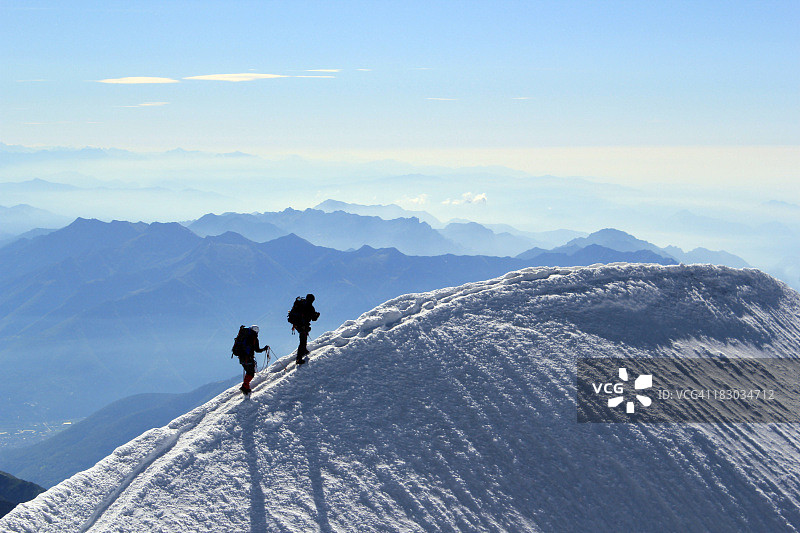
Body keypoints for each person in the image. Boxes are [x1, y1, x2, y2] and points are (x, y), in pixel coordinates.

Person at [235, 325, 268, 394]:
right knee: (251, 373)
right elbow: (257, 350)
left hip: (241, 357)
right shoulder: (254, 338)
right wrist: (264, 349)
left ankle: (245, 386)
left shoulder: (243, 336)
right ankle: (245, 387)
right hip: (248, 358)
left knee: (248, 372)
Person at [289, 294, 320, 365]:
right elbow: (314, 319)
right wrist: (317, 315)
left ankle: (304, 350)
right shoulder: (310, 307)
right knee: (303, 340)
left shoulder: (301, 304)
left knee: (303, 337)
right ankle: (299, 358)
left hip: (297, 324)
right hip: (302, 325)